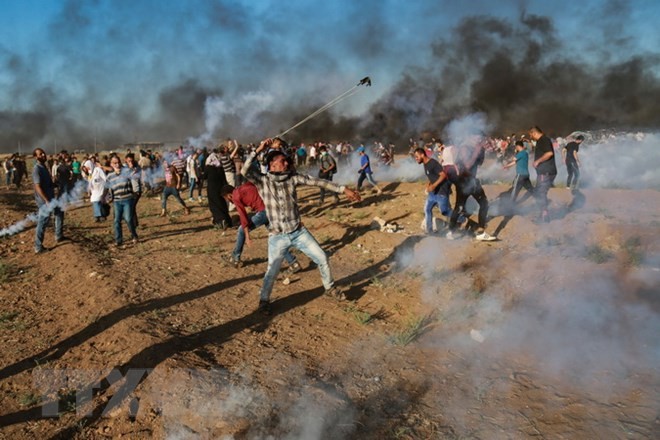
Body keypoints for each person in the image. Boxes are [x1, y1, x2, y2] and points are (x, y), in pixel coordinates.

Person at [241, 138, 361, 315]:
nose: (287, 162)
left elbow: (319, 182)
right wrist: (259, 149)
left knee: (322, 257)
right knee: (272, 272)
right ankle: (264, 301)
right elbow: (244, 170)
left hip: (298, 232)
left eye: (287, 160)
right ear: (272, 165)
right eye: (283, 161)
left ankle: (330, 288)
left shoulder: (293, 178)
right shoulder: (263, 181)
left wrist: (344, 190)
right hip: (277, 236)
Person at [221, 182, 300, 272]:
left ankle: (235, 258)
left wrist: (247, 236)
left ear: (229, 195)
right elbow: (255, 187)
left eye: (226, 199)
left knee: (241, 230)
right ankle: (293, 263)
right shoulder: (244, 186)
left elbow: (243, 217)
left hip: (264, 212)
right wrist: (254, 204)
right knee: (276, 238)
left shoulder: (235, 196)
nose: (229, 201)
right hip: (271, 209)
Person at [446, 140, 496, 241]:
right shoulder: (465, 147)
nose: (480, 139)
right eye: (479, 137)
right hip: (464, 183)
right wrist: (477, 151)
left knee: (483, 204)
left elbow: (479, 163)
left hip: (472, 182)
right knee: (459, 208)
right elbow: (467, 165)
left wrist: (482, 150)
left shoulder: (471, 148)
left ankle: (480, 232)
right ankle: (451, 230)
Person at [32, 148, 65, 253]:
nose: (43, 155)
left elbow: (47, 183)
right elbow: (37, 186)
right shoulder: (37, 169)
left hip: (51, 198)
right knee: (43, 222)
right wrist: (46, 200)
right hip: (44, 201)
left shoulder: (44, 167)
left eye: (43, 153)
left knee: (59, 212)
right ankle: (38, 247)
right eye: (40, 154)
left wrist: (55, 184)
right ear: (35, 157)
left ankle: (59, 236)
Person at [414, 148, 452, 234]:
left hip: (442, 190)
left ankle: (461, 219)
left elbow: (443, 175)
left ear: (422, 155)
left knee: (444, 211)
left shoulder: (433, 163)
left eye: (417, 157)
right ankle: (429, 230)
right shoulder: (425, 164)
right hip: (433, 192)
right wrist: (428, 186)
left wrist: (434, 185)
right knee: (427, 209)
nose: (416, 159)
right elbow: (431, 176)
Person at [106, 155, 139, 247]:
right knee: (116, 220)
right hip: (117, 201)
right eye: (114, 163)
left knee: (128, 219)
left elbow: (134, 177)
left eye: (118, 162)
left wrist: (135, 191)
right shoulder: (110, 176)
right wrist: (108, 198)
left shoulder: (127, 172)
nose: (117, 165)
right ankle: (118, 240)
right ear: (111, 164)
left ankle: (134, 235)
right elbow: (109, 189)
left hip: (127, 199)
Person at [529, 126, 557, 223]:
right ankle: (543, 215)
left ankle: (544, 216)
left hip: (545, 172)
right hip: (545, 171)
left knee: (540, 193)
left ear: (534, 133)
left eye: (531, 135)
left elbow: (549, 153)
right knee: (540, 192)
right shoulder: (542, 140)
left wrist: (538, 161)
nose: (531, 137)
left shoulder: (543, 140)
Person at [205, 149, 231, 228]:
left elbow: (204, 176)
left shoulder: (209, 168)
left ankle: (220, 221)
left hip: (212, 189)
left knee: (214, 205)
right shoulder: (220, 168)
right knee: (222, 204)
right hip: (221, 189)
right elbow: (224, 179)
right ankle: (227, 221)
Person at [503, 141, 535, 205]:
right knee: (531, 189)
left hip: (520, 175)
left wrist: (509, 157)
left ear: (518, 146)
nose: (516, 148)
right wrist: (507, 166)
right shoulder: (525, 153)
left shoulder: (520, 153)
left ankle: (510, 206)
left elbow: (514, 159)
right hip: (526, 175)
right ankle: (541, 199)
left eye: (516, 147)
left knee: (514, 191)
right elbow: (515, 162)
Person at [125, 153, 142, 230]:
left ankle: (133, 224)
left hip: (136, 191)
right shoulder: (125, 168)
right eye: (129, 161)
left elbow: (129, 176)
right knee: (132, 207)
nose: (130, 162)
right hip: (129, 191)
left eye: (131, 161)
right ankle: (135, 223)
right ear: (126, 160)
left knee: (131, 207)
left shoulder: (136, 168)